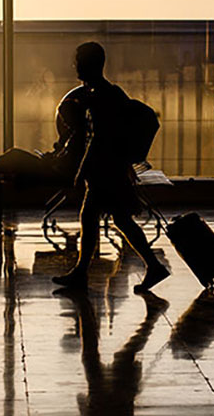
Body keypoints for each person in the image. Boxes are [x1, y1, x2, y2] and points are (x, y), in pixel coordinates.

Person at [50, 42, 170, 292]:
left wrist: (81, 171)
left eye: (78, 61)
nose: (75, 66)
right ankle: (87, 272)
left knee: (103, 217)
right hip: (111, 168)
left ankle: (85, 273)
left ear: (90, 64)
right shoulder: (108, 93)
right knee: (110, 218)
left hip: (106, 170)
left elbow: (99, 138)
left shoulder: (101, 97)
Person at [0, 85, 90, 187]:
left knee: (15, 157)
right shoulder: (77, 135)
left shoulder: (78, 137)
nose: (63, 122)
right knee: (14, 160)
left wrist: (51, 160)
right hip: (55, 171)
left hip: (57, 175)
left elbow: (68, 165)